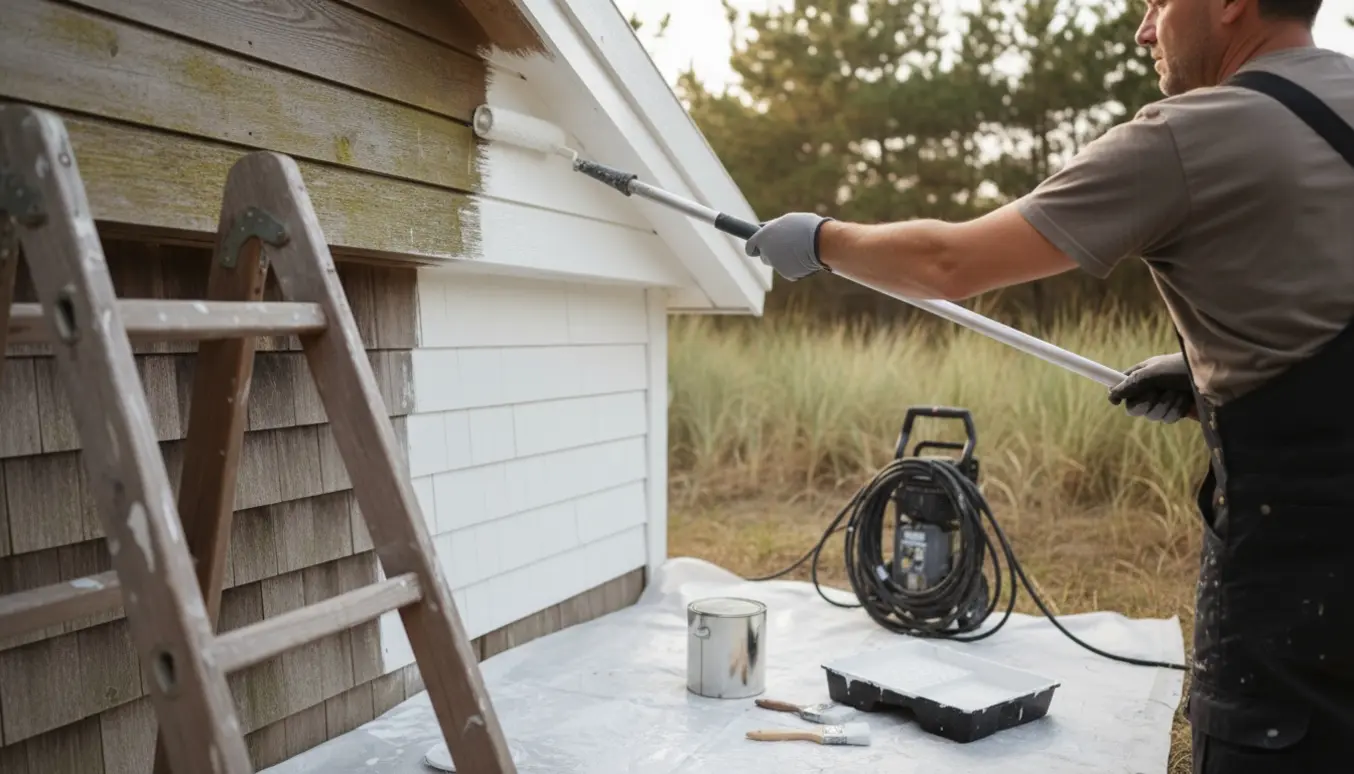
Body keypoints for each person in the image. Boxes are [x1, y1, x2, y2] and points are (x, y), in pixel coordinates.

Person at [744, 0, 1354, 771]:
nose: (1143, 31)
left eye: (1157, 5)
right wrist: (1214, 377)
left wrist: (823, 240)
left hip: (1301, 576)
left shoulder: (1190, 133)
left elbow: (948, 264)